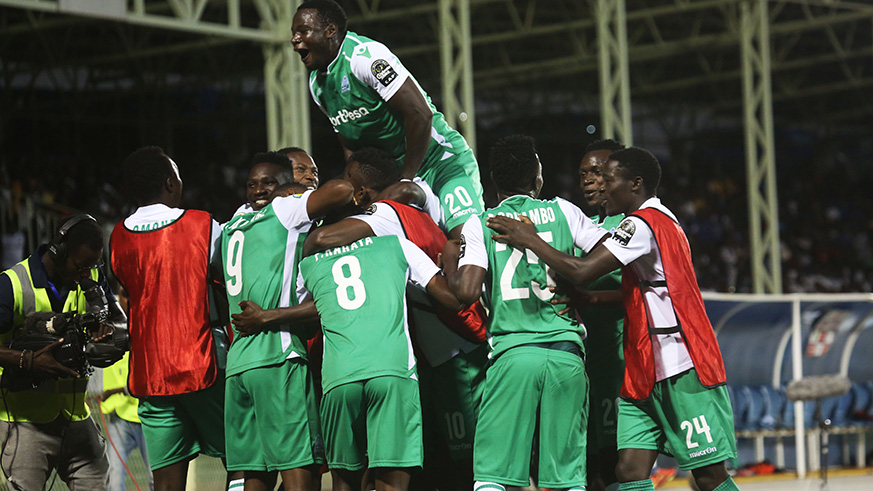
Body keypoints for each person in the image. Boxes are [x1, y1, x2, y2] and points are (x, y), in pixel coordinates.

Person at [487, 147, 740, 491]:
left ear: (635, 184)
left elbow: (584, 270)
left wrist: (530, 239)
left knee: (709, 476)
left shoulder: (641, 224)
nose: (601, 186)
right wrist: (590, 299)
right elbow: (642, 290)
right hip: (645, 371)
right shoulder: (658, 220)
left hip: (681, 366)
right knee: (629, 470)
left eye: (609, 179)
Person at [304, 147, 488, 490]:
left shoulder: (381, 219)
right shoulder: (419, 197)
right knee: (437, 458)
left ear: (361, 193)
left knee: (464, 457)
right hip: (447, 342)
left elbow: (321, 239)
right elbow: (413, 191)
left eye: (346, 180)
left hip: (449, 346)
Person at [441, 135, 609, 491]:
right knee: (566, 480)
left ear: (493, 181)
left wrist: (450, 263)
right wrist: (579, 287)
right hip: (566, 353)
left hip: (513, 354)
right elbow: (607, 256)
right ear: (537, 178)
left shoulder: (482, 222)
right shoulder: (565, 211)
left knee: (493, 476)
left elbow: (467, 292)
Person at [291, 0, 484, 238]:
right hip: (395, 181)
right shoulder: (316, 86)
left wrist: (406, 179)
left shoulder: (366, 57)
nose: (294, 39)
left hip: (439, 163)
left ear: (330, 31)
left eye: (303, 31)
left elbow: (419, 113)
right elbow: (352, 148)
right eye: (293, 33)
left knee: (468, 244)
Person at [300, 231, 471, 491]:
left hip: (339, 376)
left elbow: (304, 321)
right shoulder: (394, 243)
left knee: (344, 483)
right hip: (392, 370)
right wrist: (449, 260)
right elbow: (452, 299)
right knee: (391, 481)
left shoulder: (310, 263)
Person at [220, 155, 353, 491]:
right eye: (254, 184)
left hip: (238, 365)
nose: (259, 190)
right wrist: (292, 191)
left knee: (255, 473)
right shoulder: (284, 208)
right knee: (301, 471)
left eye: (266, 183)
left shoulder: (234, 222)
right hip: (276, 356)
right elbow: (343, 189)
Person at [110, 146, 238, 491]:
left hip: (150, 373)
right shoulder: (202, 224)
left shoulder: (117, 238)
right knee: (241, 460)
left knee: (166, 481)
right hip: (204, 361)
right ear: (170, 183)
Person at [0, 214, 122, 490]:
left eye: (94, 265)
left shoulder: (91, 274)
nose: (86, 274)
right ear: (59, 250)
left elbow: (120, 321)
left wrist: (108, 334)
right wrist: (27, 360)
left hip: (77, 418)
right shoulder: (11, 284)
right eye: (81, 266)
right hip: (25, 423)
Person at [576, 139, 626, 491]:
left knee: (617, 468)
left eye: (596, 172)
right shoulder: (582, 225)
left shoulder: (635, 223)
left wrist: (588, 298)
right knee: (589, 470)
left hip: (619, 364)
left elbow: (641, 293)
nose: (588, 180)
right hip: (583, 366)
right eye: (583, 174)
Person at [88, 351, 153, 491]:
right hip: (119, 417)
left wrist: (113, 391)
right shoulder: (105, 343)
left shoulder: (142, 345)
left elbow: (147, 381)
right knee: (114, 474)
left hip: (147, 418)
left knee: (157, 473)